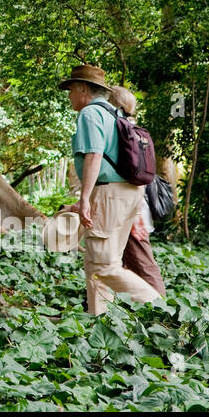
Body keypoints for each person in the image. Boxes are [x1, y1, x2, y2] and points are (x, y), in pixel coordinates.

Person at [57, 64, 160, 315]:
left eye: (71, 90)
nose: (69, 96)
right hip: (129, 193)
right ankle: (99, 320)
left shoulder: (90, 114)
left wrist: (84, 199)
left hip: (110, 192)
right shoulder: (115, 113)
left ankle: (159, 306)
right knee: (95, 264)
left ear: (82, 89)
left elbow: (94, 155)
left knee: (104, 265)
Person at [108, 85, 166, 297]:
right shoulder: (135, 130)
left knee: (143, 263)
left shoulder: (122, 131)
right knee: (121, 262)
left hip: (132, 209)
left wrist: (136, 215)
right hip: (135, 206)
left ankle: (161, 310)